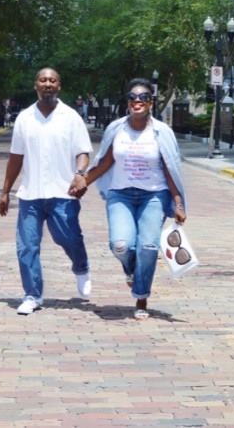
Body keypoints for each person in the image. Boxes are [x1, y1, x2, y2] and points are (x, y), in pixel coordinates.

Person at [81, 78, 187, 320]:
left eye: (143, 97)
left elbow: (171, 168)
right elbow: (105, 161)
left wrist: (178, 202)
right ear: (127, 101)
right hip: (121, 194)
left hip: (154, 195)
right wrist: (82, 182)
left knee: (148, 246)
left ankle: (141, 297)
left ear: (151, 102)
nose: (137, 101)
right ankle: (131, 270)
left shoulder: (162, 132)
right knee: (121, 245)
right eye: (132, 97)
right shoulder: (116, 129)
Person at [0, 67, 93, 315]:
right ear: (36, 85)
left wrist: (80, 174)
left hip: (64, 193)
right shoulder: (24, 118)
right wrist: (5, 191)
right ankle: (32, 295)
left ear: (59, 86)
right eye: (43, 80)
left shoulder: (71, 117)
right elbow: (16, 157)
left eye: (52, 80)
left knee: (68, 238)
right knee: (27, 246)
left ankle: (81, 266)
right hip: (31, 194)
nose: (48, 84)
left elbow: (83, 152)